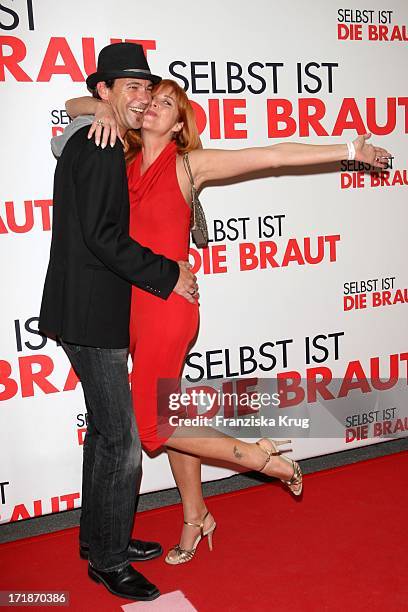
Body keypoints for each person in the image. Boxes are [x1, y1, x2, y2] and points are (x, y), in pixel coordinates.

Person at [66, 79, 391, 565]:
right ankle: (196, 516)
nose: (153, 106)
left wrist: (349, 149)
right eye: (150, 99)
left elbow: (273, 156)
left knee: (150, 428)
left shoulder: (188, 162)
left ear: (180, 124)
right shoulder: (122, 160)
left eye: (167, 104)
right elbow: (72, 104)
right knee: (170, 413)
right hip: (132, 309)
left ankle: (265, 460)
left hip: (168, 309)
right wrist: (103, 109)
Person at [39, 44, 198, 602]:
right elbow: (105, 239)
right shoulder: (102, 145)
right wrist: (168, 274)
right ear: (104, 92)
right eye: (128, 87)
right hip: (93, 313)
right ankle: (107, 560)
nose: (141, 97)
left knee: (107, 433)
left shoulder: (93, 133)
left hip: (82, 309)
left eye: (145, 88)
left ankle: (98, 537)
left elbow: (77, 110)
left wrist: (94, 107)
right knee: (124, 440)